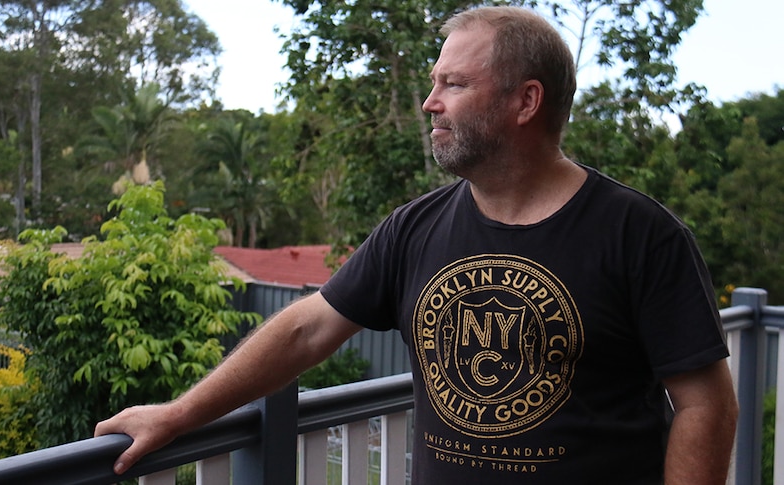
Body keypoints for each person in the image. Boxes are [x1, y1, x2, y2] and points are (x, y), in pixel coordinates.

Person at [95, 6, 738, 484]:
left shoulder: (640, 234)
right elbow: (305, 331)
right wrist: (178, 415)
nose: (430, 103)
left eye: (454, 85)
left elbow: (704, 402)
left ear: (526, 101)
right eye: (433, 84)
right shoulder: (415, 228)